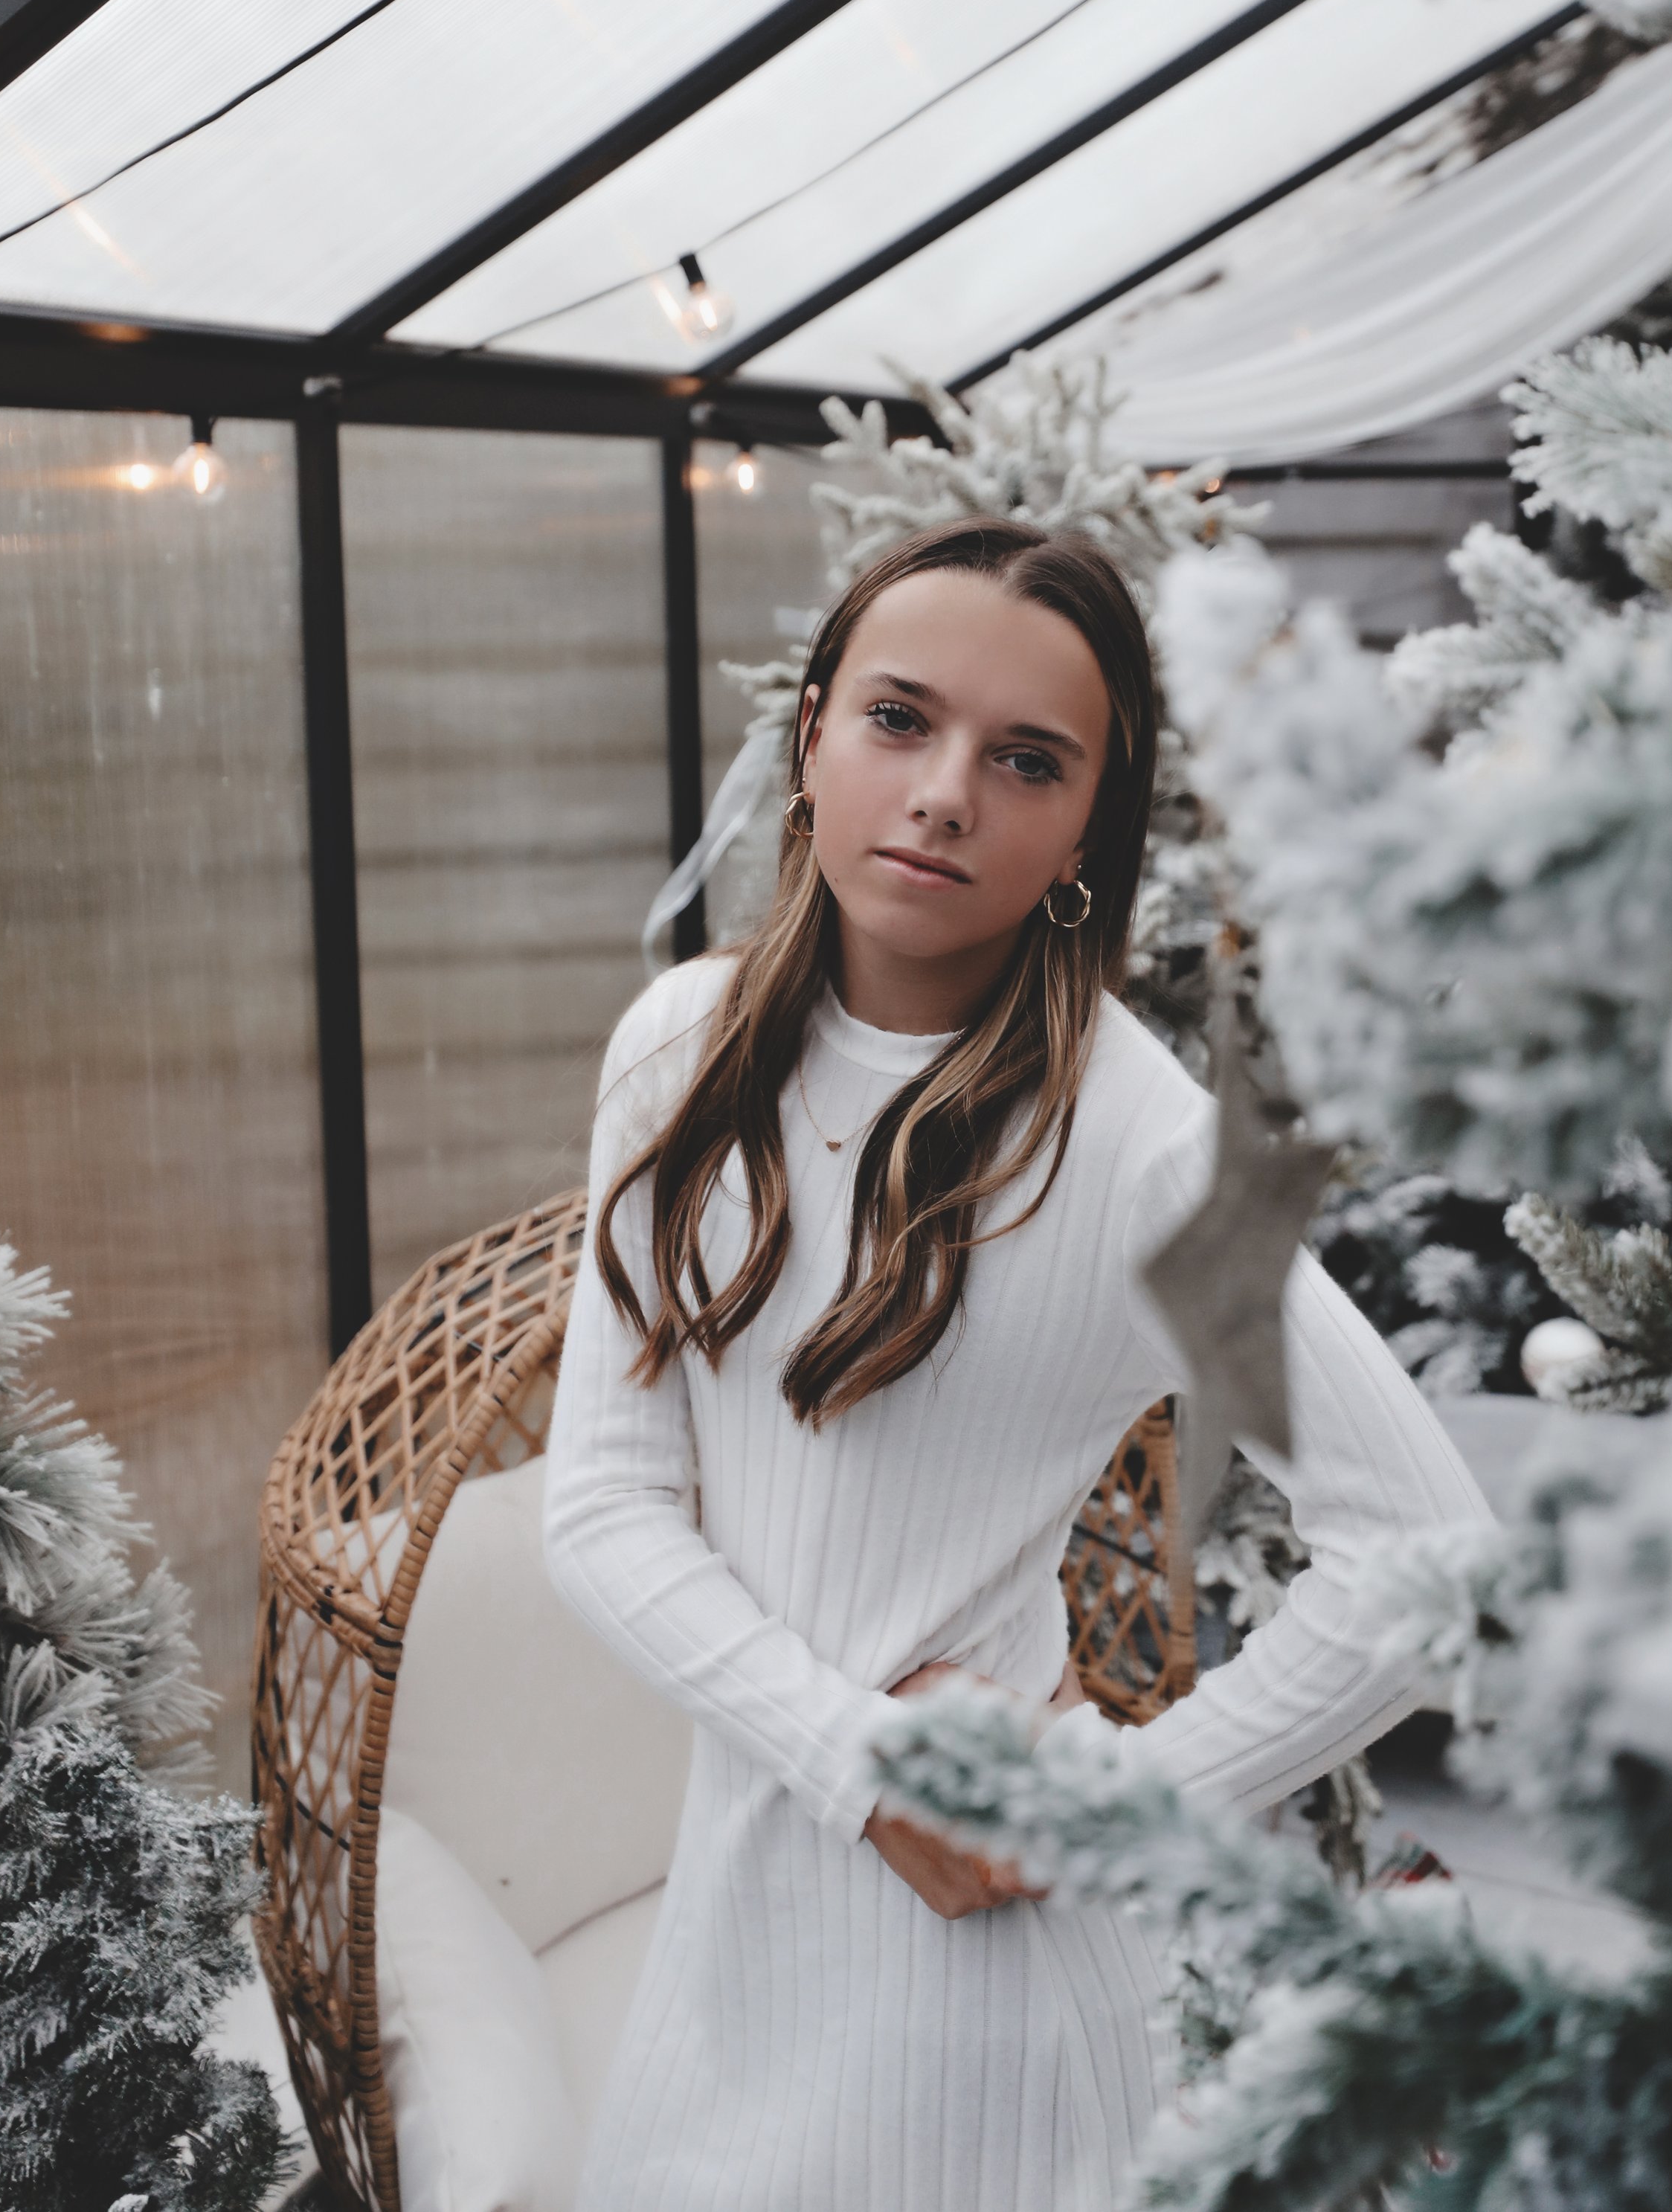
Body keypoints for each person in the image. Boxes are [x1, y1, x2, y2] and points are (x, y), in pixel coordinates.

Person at [544, 515, 1487, 2212]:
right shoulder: (674, 1050)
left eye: (1026, 759)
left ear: (1082, 836)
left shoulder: (1138, 1147)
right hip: (737, 1942)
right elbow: (603, 1503)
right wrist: (860, 1765)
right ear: (814, 730)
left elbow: (1423, 1557)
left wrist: (1098, 1801)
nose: (943, 792)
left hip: (995, 1997)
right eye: (898, 719)